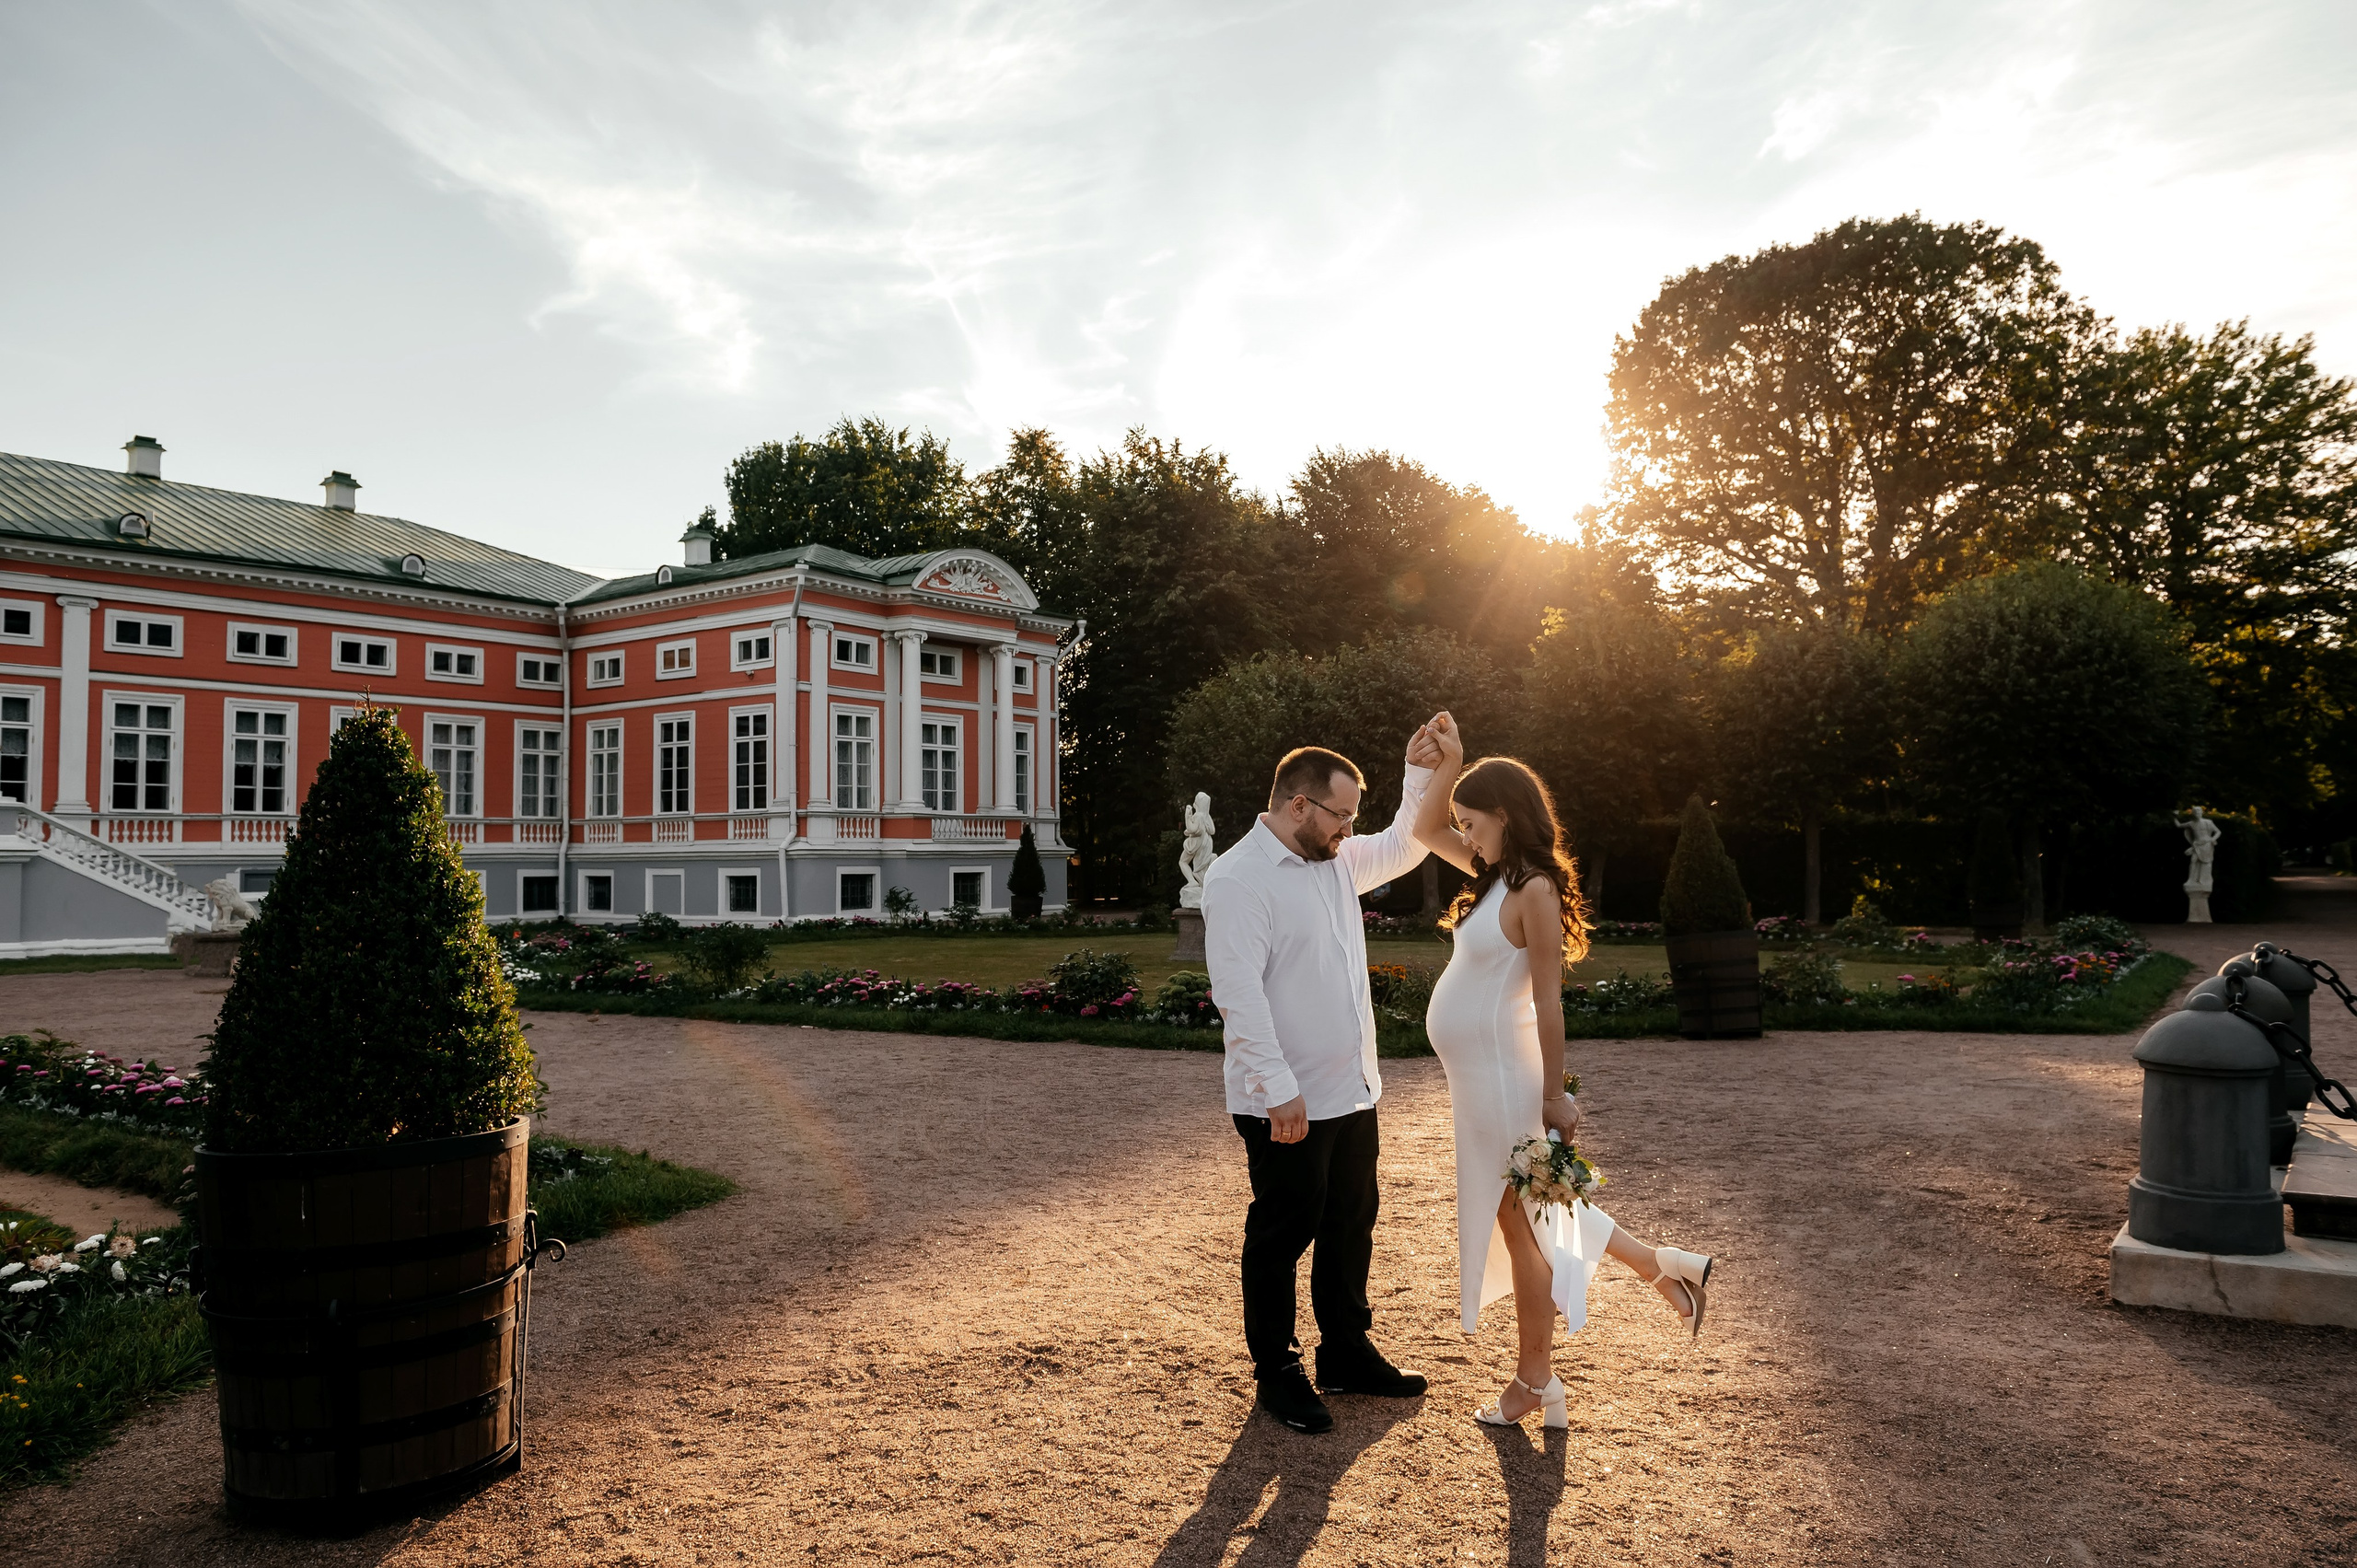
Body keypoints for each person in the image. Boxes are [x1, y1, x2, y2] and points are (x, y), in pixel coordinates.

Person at [1413, 713, 1714, 1430]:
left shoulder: (1534, 891)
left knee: (1526, 1225)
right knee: (1540, 1213)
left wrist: (1553, 1094)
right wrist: (1449, 764)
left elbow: (1548, 1002)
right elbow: (1425, 829)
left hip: (1504, 1079)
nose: (1466, 833)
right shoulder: (1493, 877)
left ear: (1506, 817)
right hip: (1480, 1082)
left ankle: (1534, 1381)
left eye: (1473, 821)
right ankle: (1662, 1266)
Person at [1202, 726, 1445, 1434]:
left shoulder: (1335, 857)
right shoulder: (1236, 877)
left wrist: (1416, 771)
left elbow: (1406, 841)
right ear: (1300, 804)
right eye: (1342, 815)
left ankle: (1344, 1348)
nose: (1350, 830)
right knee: (1283, 1229)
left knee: (1349, 1223)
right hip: (1283, 1098)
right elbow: (1238, 994)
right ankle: (1276, 1368)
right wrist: (1278, 1087)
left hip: (1352, 1090)